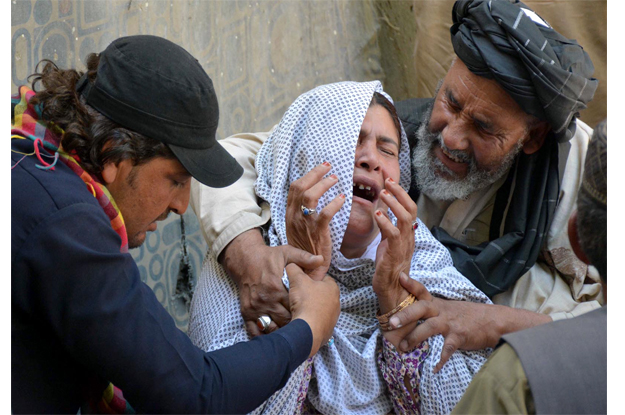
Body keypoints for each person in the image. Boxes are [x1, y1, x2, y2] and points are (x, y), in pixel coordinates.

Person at [190, 0, 603, 368]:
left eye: (482, 127)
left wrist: (494, 323)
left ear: (531, 138)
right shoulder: (395, 132)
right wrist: (249, 260)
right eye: (451, 103)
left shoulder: (589, 173)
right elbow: (236, 160)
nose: (452, 138)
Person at [11, 35, 340, 414]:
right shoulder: (65, 224)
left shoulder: (33, 163)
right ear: (112, 153)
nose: (182, 206)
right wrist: (311, 327)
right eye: (177, 179)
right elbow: (195, 397)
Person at [190, 81, 492, 415]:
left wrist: (396, 301)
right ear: (307, 153)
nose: (371, 160)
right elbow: (222, 400)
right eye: (352, 140)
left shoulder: (421, 259)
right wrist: (304, 289)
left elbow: (462, 405)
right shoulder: (251, 263)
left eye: (387, 150)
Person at [451, 118, 607, 414]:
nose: (451, 137)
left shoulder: (516, 378)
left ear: (575, 237)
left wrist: (500, 324)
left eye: (486, 126)